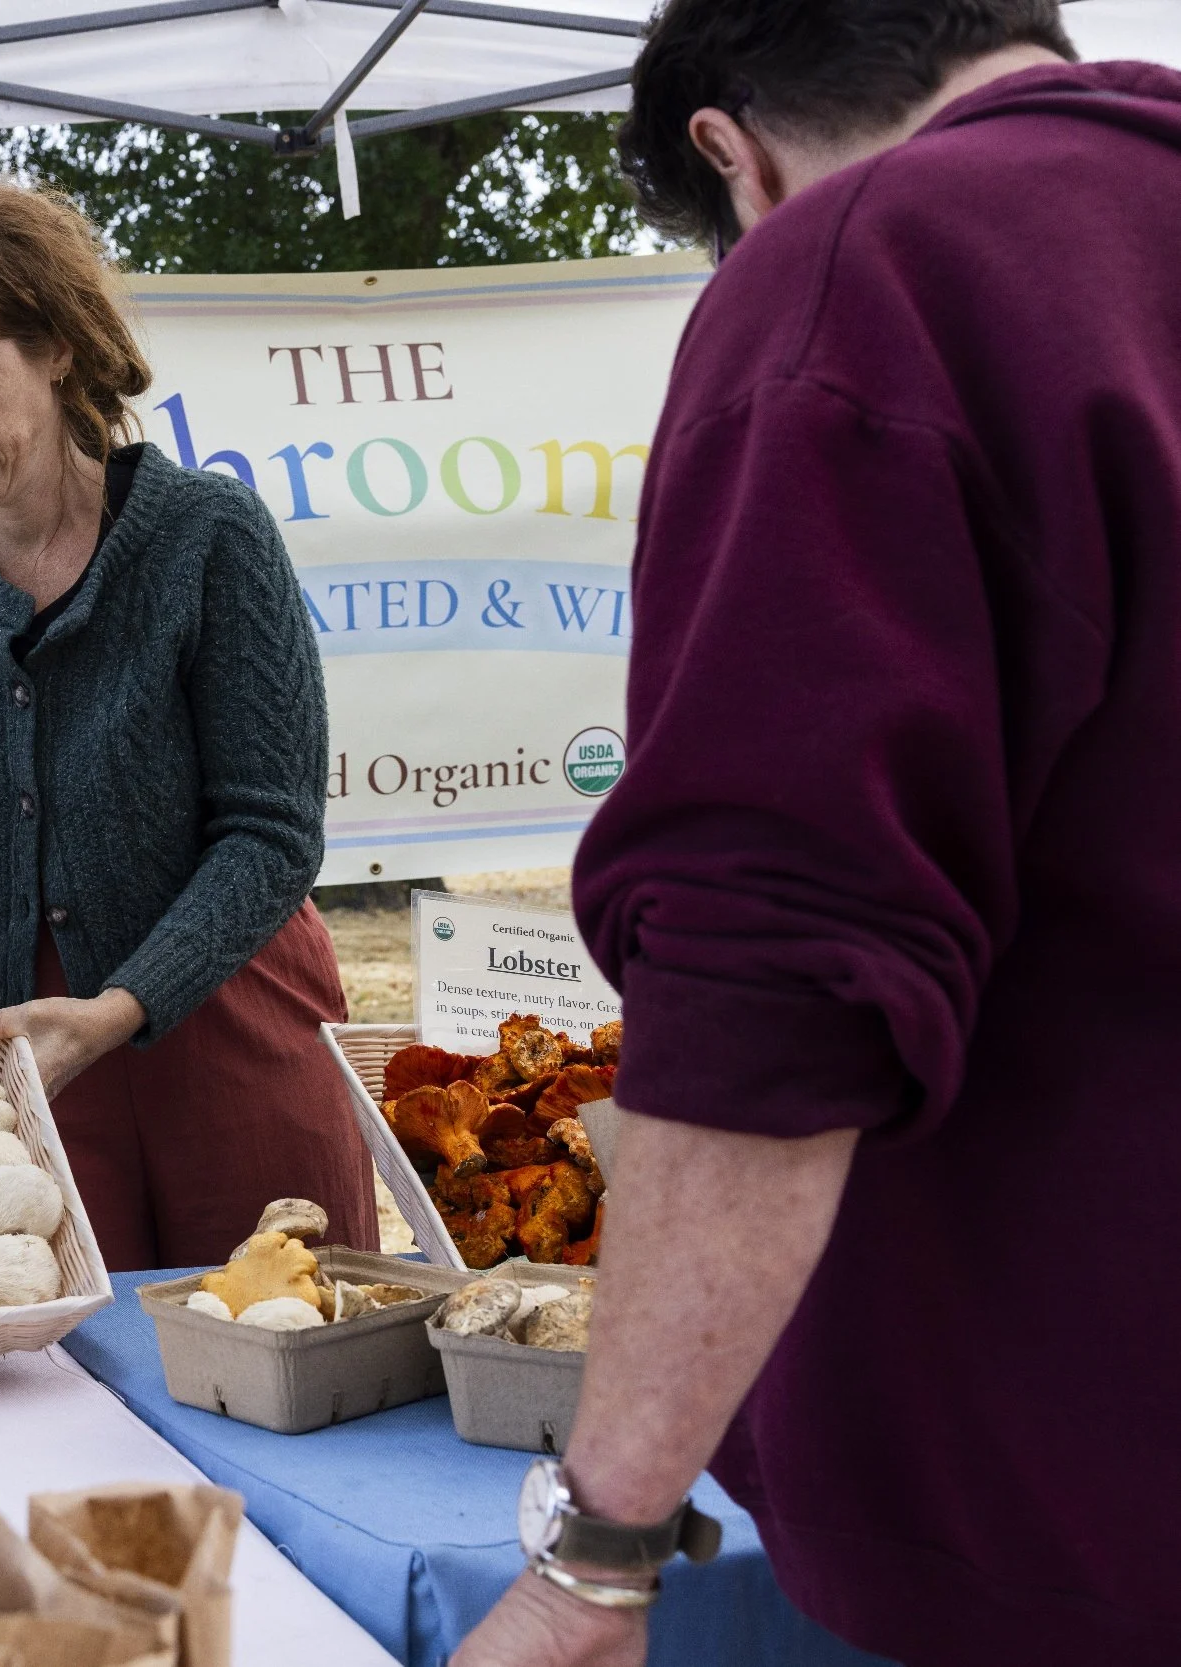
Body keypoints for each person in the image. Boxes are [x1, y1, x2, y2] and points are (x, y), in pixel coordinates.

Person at [453, 3, 1180, 1663]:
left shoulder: (874, 267)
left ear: (736, 155)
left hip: (1073, 1515)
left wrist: (601, 1548)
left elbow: (775, 955)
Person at [0, 177, 377, 1271]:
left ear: (57, 346)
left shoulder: (208, 536)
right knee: (53, 1393)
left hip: (233, 1022)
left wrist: (119, 1004)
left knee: (290, 1354)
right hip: (1, 1063)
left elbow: (269, 830)